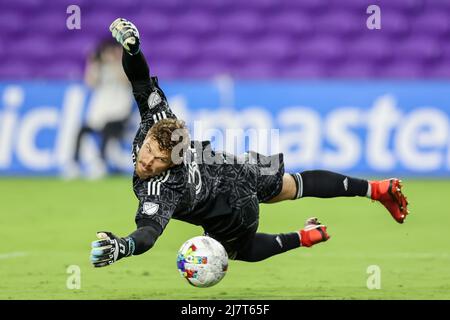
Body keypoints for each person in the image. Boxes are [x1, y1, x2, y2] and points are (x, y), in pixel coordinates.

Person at [90, 18, 409, 267]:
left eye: (158, 161)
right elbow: (140, 79)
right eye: (148, 151)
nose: (146, 161)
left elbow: (148, 233)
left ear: (173, 162)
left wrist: (124, 246)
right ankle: (377, 189)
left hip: (230, 208)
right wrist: (132, 50)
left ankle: (305, 237)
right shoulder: (157, 120)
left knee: (237, 251)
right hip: (227, 165)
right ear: (148, 137)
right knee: (293, 184)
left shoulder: (162, 187)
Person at [67, 39, 133, 179]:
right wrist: (92, 63)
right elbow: (90, 83)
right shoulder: (102, 69)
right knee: (82, 130)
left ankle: (101, 162)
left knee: (107, 128)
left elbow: (125, 80)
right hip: (101, 113)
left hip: (119, 115)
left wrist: (115, 61)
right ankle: (74, 164)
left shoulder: (128, 66)